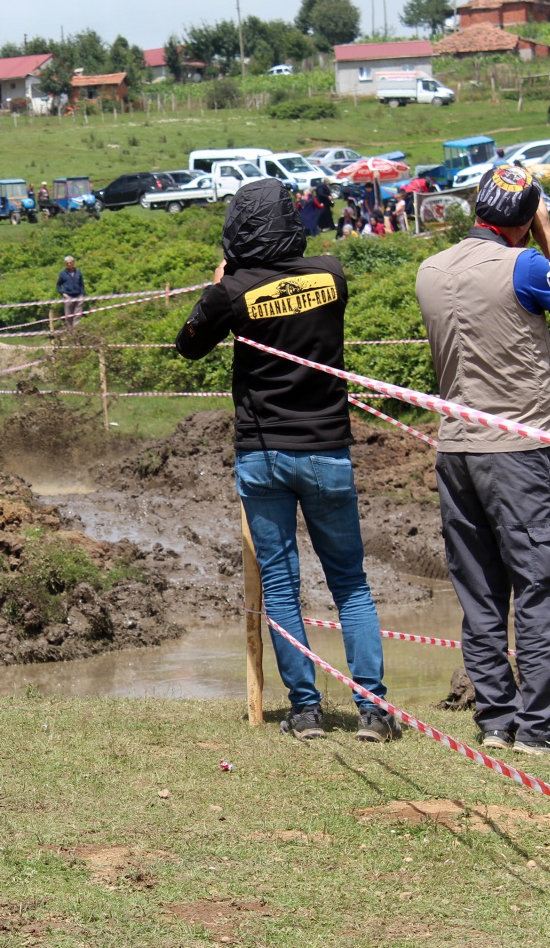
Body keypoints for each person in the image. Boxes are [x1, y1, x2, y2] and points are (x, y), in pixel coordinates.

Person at [175, 179, 396, 743]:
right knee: (350, 582)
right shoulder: (332, 275)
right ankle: (372, 709)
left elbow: (189, 344)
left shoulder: (233, 292)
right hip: (327, 450)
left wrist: (219, 285)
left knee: (280, 585)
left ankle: (305, 710)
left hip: (264, 453)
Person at [415, 165, 550, 757]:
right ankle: (542, 725)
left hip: (455, 447)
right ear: (524, 218)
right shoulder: (523, 265)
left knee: (480, 590)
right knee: (541, 583)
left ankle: (496, 717)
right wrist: (547, 234)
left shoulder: (431, 269)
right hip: (518, 450)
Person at [57, 255, 85, 327]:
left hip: (78, 296)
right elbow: (58, 286)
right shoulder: (62, 274)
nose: (69, 264)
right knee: (68, 316)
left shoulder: (78, 272)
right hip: (68, 297)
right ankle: (70, 332)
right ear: (65, 264)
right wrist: (63, 293)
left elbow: (82, 284)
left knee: (78, 316)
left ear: (73, 263)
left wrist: (82, 293)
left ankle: (76, 332)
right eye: (67, 263)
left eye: (70, 262)